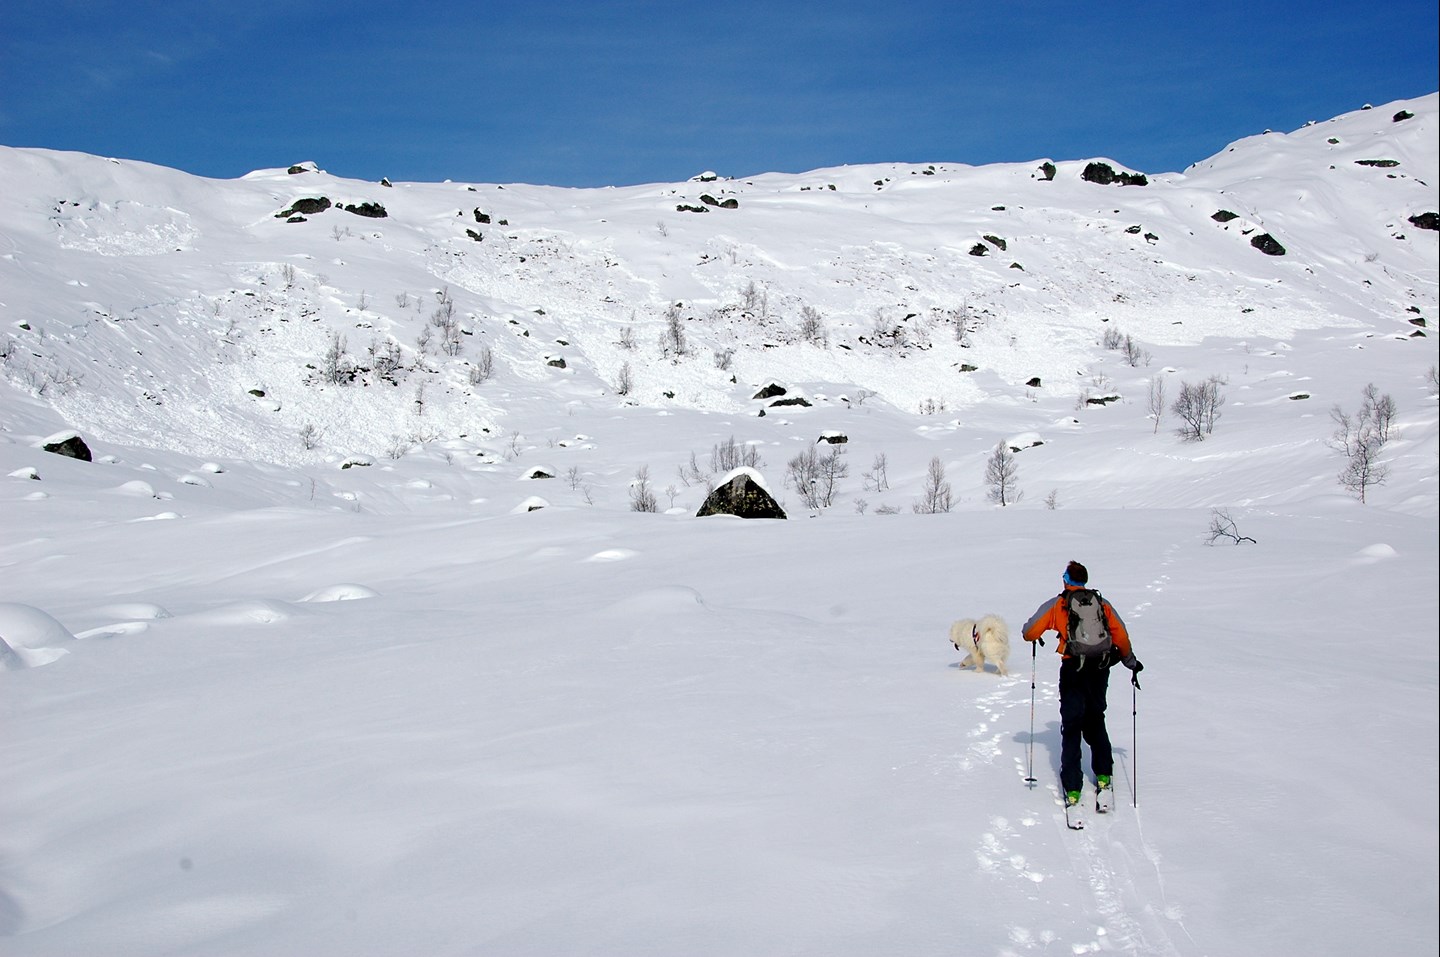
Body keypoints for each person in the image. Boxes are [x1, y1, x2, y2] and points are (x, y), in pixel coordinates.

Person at [1023, 560, 1143, 807]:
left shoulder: (1060, 603)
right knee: (1096, 718)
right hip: (1099, 669)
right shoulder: (1101, 603)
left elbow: (1030, 632)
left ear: (1066, 579)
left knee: (1072, 725)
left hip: (1073, 670)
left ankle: (1073, 787)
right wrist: (1129, 660)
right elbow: (1119, 633)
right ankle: (1102, 775)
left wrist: (1031, 631)